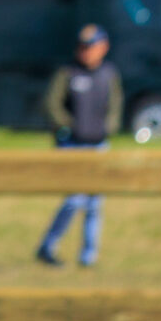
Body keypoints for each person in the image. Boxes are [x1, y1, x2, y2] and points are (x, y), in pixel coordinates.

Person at [37, 23, 120, 268]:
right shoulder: (68, 73)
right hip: (73, 145)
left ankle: (88, 256)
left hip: (99, 145)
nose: (85, 51)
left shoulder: (109, 74)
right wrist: (69, 126)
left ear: (103, 47)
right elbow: (51, 104)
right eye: (82, 46)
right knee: (75, 199)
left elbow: (115, 105)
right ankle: (48, 246)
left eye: (90, 46)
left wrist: (108, 127)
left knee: (95, 204)